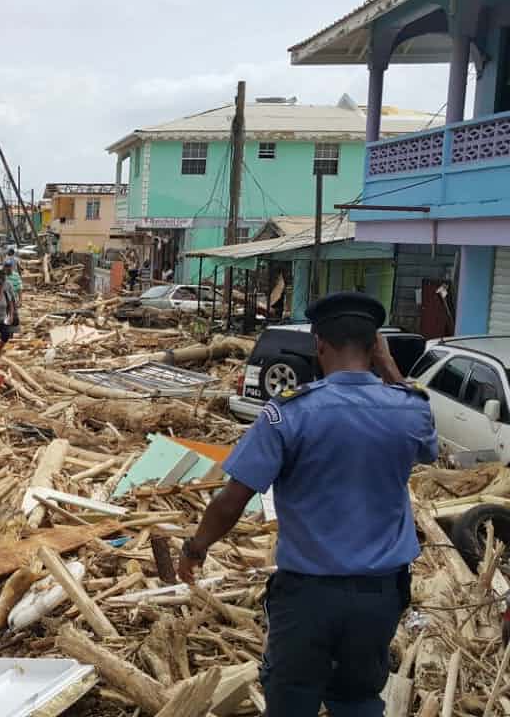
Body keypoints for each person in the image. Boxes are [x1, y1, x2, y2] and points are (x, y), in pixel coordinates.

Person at [177, 292, 437, 716]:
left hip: (308, 597)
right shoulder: (410, 408)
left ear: (318, 345)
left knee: (291, 698)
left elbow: (233, 499)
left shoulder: (290, 412)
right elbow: (426, 442)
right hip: (380, 595)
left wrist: (195, 547)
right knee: (358, 699)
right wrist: (391, 372)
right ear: (376, 346)